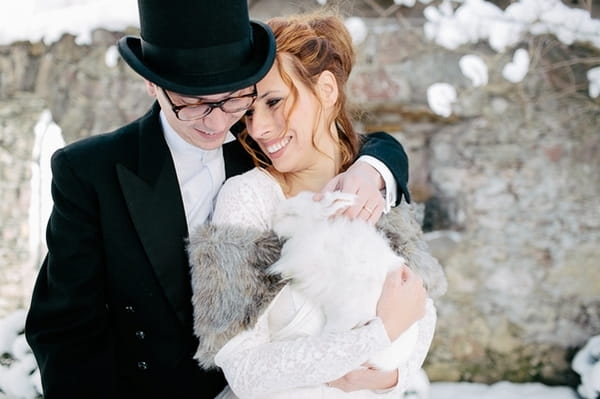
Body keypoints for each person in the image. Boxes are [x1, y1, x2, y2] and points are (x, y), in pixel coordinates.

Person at [24, 1, 413, 398]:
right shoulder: (92, 170)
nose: (216, 122)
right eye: (192, 104)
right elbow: (64, 328)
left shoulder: (263, 143)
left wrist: (375, 168)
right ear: (152, 84)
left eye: (233, 98)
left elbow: (352, 142)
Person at [187, 11, 445, 399]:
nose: (258, 130)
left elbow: (418, 314)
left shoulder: (374, 189)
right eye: (249, 113)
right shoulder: (248, 198)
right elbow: (242, 369)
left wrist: (385, 379)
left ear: (326, 90)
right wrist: (376, 336)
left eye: (274, 102)